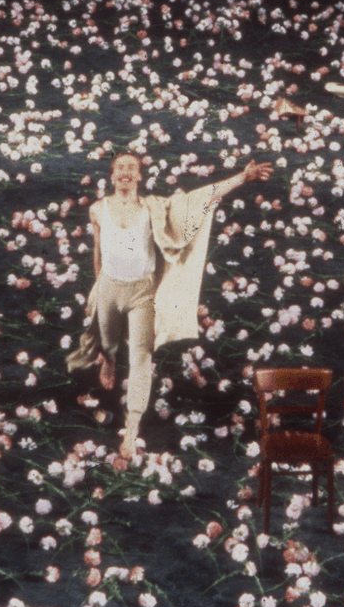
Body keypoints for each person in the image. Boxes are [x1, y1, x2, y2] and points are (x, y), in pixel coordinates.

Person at [68, 152, 273, 469]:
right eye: (120, 167)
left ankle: (131, 429)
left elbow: (201, 197)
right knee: (107, 341)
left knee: (141, 357)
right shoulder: (97, 209)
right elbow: (97, 253)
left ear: (139, 176)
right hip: (108, 287)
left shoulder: (153, 208)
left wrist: (242, 177)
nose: (125, 171)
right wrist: (97, 288)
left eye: (132, 167)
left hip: (142, 293)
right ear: (111, 175)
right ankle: (107, 359)